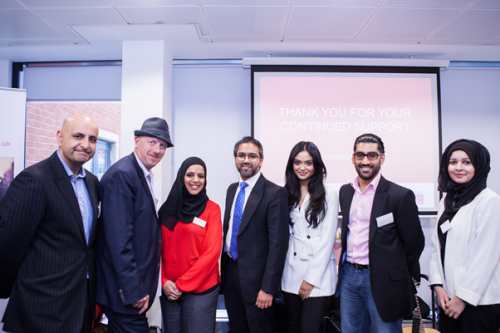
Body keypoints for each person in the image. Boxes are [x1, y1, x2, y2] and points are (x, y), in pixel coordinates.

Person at [0, 114, 100, 332]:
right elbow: (9, 245)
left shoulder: (92, 183)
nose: (85, 144)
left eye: (92, 139)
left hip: (81, 303)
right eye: (78, 136)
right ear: (59, 137)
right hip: (40, 307)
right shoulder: (34, 179)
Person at [337, 133, 425, 333]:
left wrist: (394, 267)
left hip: (383, 279)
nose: (365, 161)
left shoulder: (399, 196)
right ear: (353, 158)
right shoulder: (345, 191)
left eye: (371, 155)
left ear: (382, 158)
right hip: (349, 275)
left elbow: (414, 243)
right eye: (360, 155)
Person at [96, 117, 173, 333]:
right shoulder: (123, 174)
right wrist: (133, 290)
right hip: (125, 293)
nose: (157, 150)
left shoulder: (141, 174)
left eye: (163, 145)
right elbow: (118, 241)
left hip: (131, 291)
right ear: (136, 140)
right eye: (152, 142)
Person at [429, 139, 500, 333]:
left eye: (466, 162)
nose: (458, 167)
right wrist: (438, 287)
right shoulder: (447, 201)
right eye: (453, 162)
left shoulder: (489, 202)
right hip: (448, 300)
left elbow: (486, 257)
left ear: (479, 165)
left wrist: (463, 298)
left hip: (479, 303)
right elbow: (437, 247)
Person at [221, 136, 289, 333]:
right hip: (231, 275)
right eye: (241, 155)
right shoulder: (232, 189)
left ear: (261, 160)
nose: (246, 160)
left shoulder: (274, 193)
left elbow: (278, 245)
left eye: (252, 156)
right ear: (235, 159)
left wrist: (268, 288)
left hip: (258, 283)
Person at [157, 157, 222, 333]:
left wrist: (181, 284)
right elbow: (156, 249)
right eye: (190, 174)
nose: (195, 180)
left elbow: (212, 253)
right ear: (181, 177)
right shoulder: (167, 210)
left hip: (201, 290)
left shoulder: (212, 209)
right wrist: (163, 282)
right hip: (169, 289)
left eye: (201, 176)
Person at [281, 141, 339, 333]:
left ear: (316, 166)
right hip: (290, 271)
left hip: (317, 275)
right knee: (292, 327)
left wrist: (310, 279)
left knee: (309, 328)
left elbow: (327, 239)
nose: (302, 168)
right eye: (297, 162)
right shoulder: (285, 191)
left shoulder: (328, 193)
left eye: (308, 163)